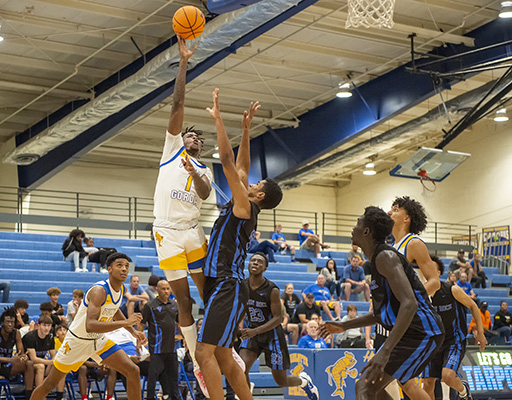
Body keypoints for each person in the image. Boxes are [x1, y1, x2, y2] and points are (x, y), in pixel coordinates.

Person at [196, 88, 283, 400]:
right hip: (222, 284)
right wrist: (245, 130)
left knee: (203, 352)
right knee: (221, 355)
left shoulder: (244, 208)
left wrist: (219, 120)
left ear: (259, 195)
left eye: (256, 185)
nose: (250, 182)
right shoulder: (245, 204)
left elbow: (228, 161)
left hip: (228, 285)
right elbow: (243, 167)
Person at [320, 207, 444, 400]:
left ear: (367, 231)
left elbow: (410, 304)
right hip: (410, 332)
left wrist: (385, 351)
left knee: (366, 387)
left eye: (357, 224)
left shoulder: (386, 257)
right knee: (371, 386)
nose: (353, 229)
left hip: (423, 332)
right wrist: (343, 325)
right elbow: (380, 314)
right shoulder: (377, 262)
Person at [151, 35, 212, 396]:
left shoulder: (203, 170)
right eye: (190, 135)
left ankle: (221, 346)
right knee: (184, 301)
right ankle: (196, 358)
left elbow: (205, 194)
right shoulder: (172, 150)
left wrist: (195, 171)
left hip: (193, 231)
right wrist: (184, 63)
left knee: (211, 295)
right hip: (168, 233)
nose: (194, 139)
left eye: (198, 139)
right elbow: (178, 101)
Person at [29, 252, 147, 400]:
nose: (124, 269)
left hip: (98, 340)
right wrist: (126, 322)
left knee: (133, 370)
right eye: (119, 265)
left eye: (126, 266)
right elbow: (90, 325)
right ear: (109, 269)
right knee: (49, 384)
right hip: (77, 342)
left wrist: (133, 332)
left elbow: (114, 309)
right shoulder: (99, 291)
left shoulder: (122, 289)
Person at [239, 253, 318, 400]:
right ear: (248, 264)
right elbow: (240, 310)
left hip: (272, 336)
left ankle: (304, 382)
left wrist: (255, 331)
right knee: (241, 369)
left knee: (281, 381)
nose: (255, 263)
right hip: (252, 334)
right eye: (253, 260)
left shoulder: (272, 290)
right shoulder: (242, 286)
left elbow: (278, 319)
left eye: (259, 262)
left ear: (265, 268)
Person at [422, 256, 487, 400]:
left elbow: (473, 306)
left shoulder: (452, 290)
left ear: (438, 272)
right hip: (432, 343)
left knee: (447, 376)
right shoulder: (421, 295)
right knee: (427, 384)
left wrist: (480, 333)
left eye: (430, 267)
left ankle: (464, 392)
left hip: (453, 341)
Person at [388, 196, 440, 296]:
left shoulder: (414, 244)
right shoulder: (391, 247)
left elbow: (435, 282)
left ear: (406, 218)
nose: (389, 212)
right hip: (400, 309)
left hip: (417, 309)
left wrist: (410, 298)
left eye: (395, 210)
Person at [139, 279, 180, 400]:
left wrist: (186, 338)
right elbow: (141, 324)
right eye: (163, 289)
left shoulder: (174, 305)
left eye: (168, 288)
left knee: (173, 378)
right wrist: (138, 339)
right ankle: (150, 398)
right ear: (157, 290)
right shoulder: (150, 305)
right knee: (153, 377)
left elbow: (179, 323)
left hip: (172, 348)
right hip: (156, 348)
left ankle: (175, 398)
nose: (166, 291)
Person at [23, 315, 62, 397]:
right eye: (44, 325)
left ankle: (60, 396)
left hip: (42, 363)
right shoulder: (30, 337)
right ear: (38, 325)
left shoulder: (50, 337)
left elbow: (53, 355)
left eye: (49, 325)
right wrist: (50, 362)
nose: (47, 328)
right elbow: (33, 359)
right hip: (27, 365)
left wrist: (55, 362)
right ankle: (40, 397)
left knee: (60, 366)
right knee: (41, 366)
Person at [0, 307, 34, 400]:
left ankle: (29, 396)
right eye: (7, 322)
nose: (10, 324)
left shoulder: (16, 333)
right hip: (3, 364)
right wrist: (11, 360)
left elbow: (20, 353)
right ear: (2, 323)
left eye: (12, 322)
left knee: (29, 363)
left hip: (7, 367)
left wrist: (23, 357)